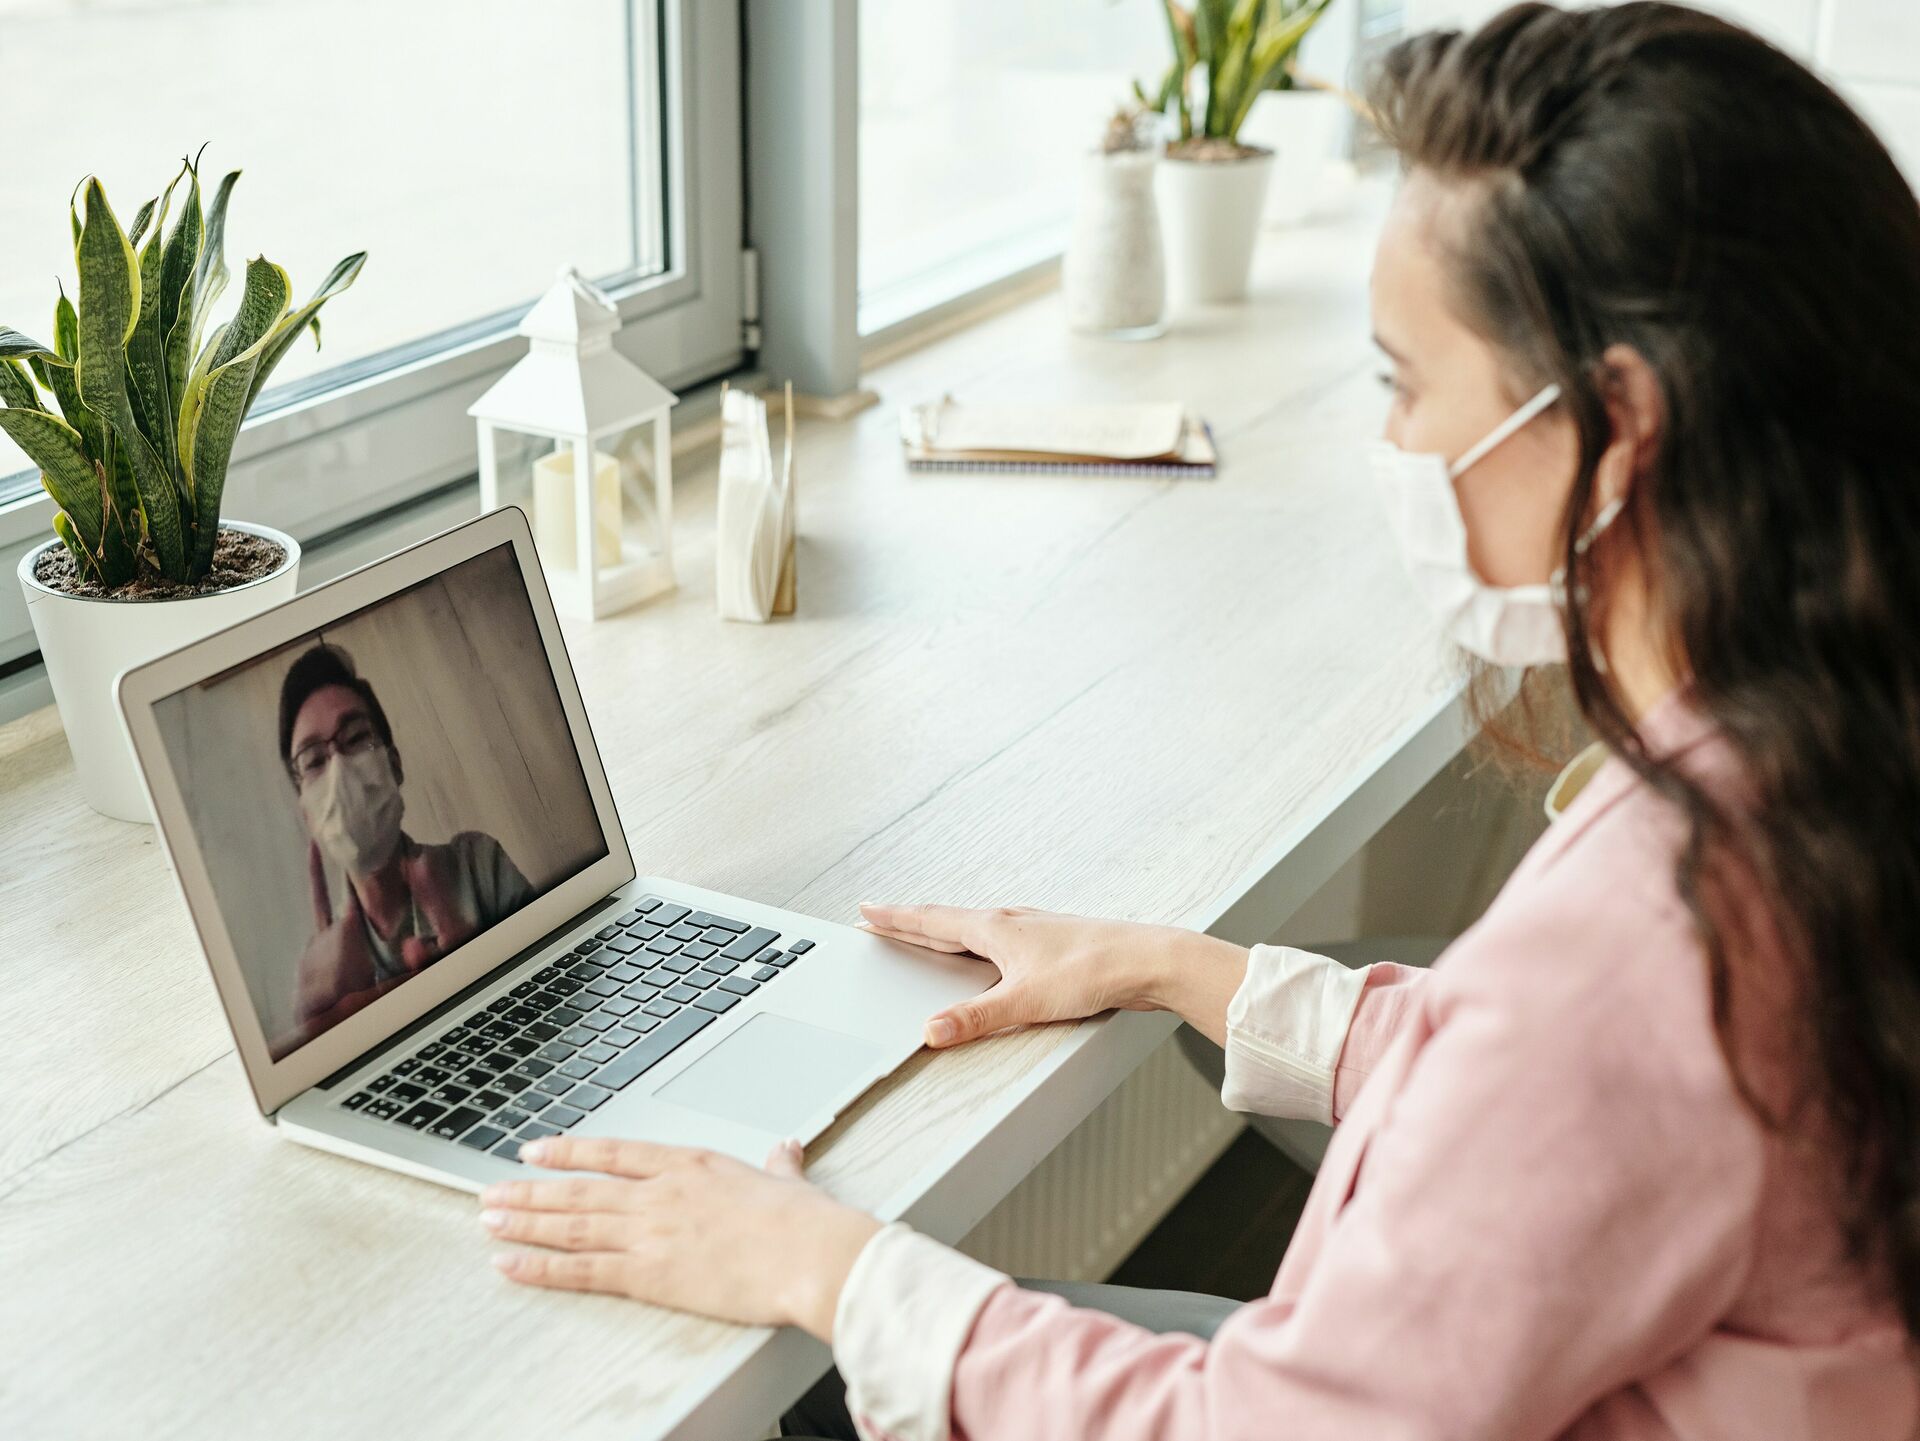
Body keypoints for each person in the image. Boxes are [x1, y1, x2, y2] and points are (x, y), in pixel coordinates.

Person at [471, 4, 1920, 1437]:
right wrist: (1178, 967)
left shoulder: (1654, 933)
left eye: (1408, 385)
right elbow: (1568, 1106)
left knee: (812, 1398)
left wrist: (821, 1264)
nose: (1396, 445)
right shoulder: (1829, 745)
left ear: (1623, 428)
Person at [280, 644, 532, 1049]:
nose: (340, 770)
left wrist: (481, 975)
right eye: (313, 761)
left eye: (357, 737)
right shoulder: (322, 973)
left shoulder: (478, 865)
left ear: (394, 765)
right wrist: (319, 1042)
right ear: (307, 814)